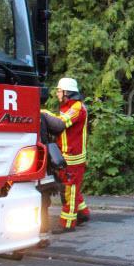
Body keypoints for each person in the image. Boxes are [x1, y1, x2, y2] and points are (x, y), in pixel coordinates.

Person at [41, 77, 91, 232]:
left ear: (67, 92)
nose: (57, 93)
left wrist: (43, 112)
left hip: (74, 157)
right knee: (72, 188)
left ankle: (68, 224)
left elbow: (60, 123)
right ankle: (83, 213)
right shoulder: (68, 107)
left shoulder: (77, 108)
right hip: (66, 155)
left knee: (70, 190)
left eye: (59, 90)